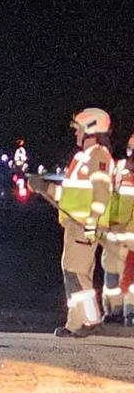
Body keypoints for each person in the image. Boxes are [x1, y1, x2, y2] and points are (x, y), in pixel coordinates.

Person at [30, 108, 113, 338]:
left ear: (90, 129)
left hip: (84, 226)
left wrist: (92, 223)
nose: (75, 133)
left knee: (76, 273)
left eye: (77, 129)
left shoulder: (98, 156)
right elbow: (71, 196)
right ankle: (76, 323)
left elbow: (102, 194)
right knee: (73, 272)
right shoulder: (82, 158)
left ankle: (87, 320)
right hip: (75, 224)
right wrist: (44, 187)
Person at [103, 133, 134, 323]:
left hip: (124, 234)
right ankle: (116, 311)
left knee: (128, 274)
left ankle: (127, 311)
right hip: (116, 232)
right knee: (113, 271)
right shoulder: (120, 169)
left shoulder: (120, 169)